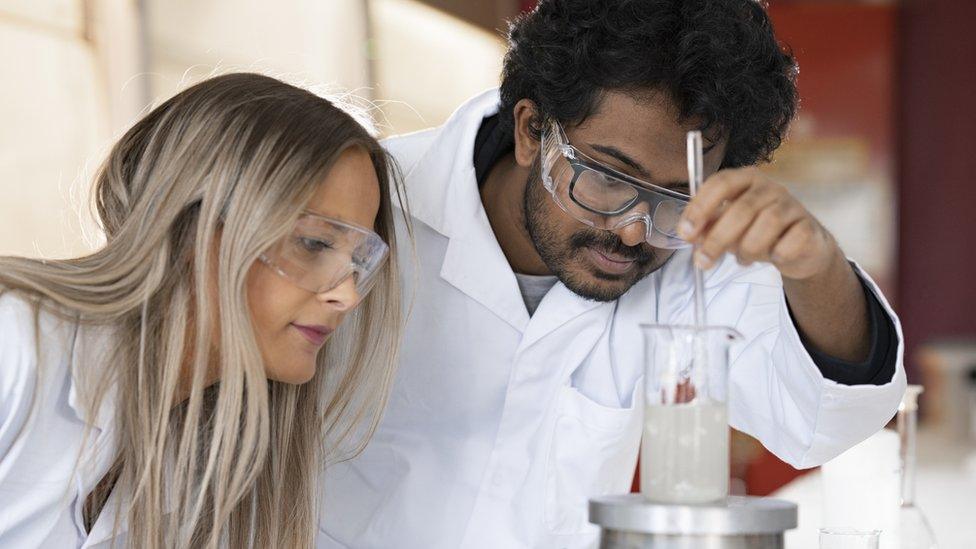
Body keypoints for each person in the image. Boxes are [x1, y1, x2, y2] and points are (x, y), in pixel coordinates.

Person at [318, 1, 906, 548]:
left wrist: (817, 266)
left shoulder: (692, 256)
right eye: (607, 178)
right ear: (531, 131)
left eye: (674, 198)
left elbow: (820, 422)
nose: (633, 231)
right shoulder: (371, 207)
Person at [0, 73, 406, 548]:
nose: (348, 296)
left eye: (360, 259)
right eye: (314, 243)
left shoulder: (212, 465)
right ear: (191, 224)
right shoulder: (15, 343)